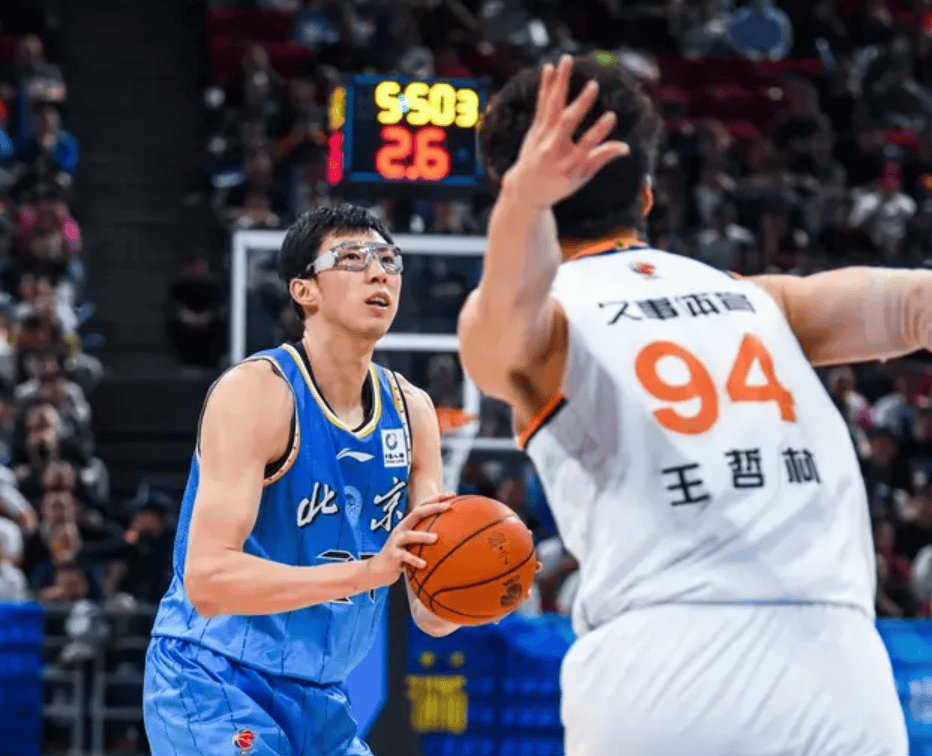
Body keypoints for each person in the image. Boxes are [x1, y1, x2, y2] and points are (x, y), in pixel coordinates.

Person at [460, 53, 912, 755]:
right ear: (646, 195)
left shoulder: (548, 324)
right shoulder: (763, 301)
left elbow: (501, 324)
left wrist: (524, 202)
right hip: (839, 672)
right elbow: (910, 307)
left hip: (661, 675)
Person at [144, 205, 519, 756]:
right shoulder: (257, 393)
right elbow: (208, 580)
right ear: (304, 290)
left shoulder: (412, 411)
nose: (378, 272)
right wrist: (368, 573)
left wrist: (485, 581)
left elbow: (429, 612)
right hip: (213, 677)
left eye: (388, 259)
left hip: (322, 696)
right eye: (352, 258)